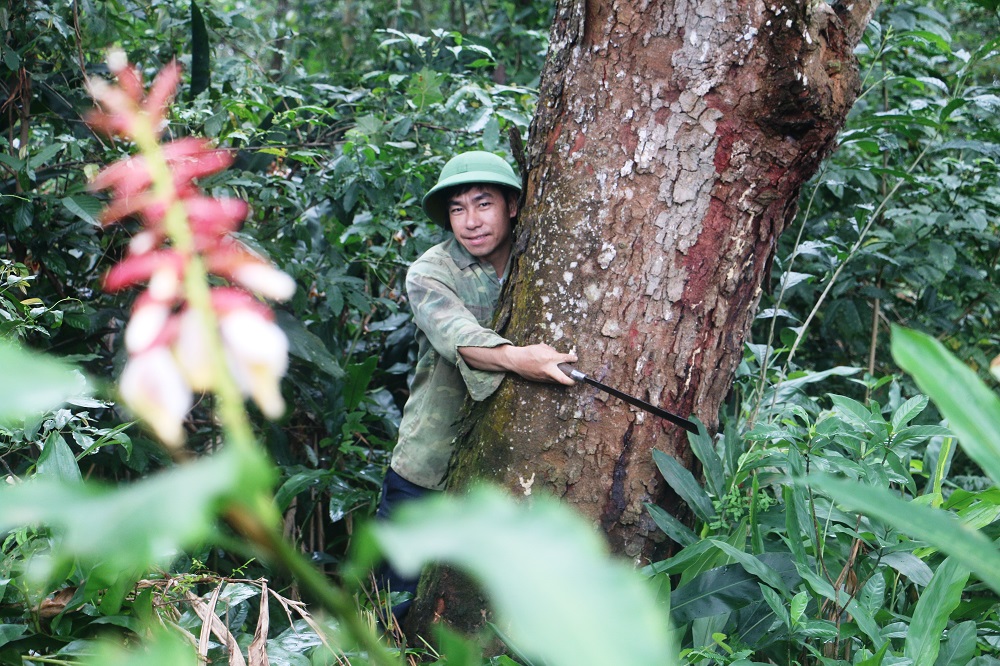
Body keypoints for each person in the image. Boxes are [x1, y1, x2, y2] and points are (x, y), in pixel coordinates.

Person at [375, 150, 577, 618]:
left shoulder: (545, 261)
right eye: (457, 209)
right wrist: (518, 359)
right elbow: (459, 338)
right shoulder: (430, 272)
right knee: (396, 600)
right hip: (428, 464)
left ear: (511, 204)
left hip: (510, 466)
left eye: (483, 203)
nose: (470, 221)